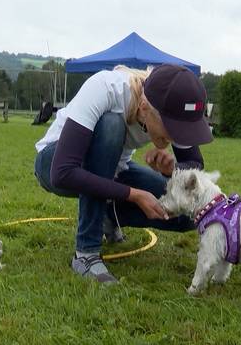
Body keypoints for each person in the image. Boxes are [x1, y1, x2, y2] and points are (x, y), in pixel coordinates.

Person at [34, 64, 213, 284]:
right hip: (54, 163)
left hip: (114, 170)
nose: (177, 136)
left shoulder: (171, 105)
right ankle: (86, 253)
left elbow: (194, 165)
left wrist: (174, 170)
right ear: (145, 107)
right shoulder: (106, 88)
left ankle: (108, 215)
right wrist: (133, 195)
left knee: (189, 213)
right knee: (112, 123)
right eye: (172, 128)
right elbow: (62, 173)